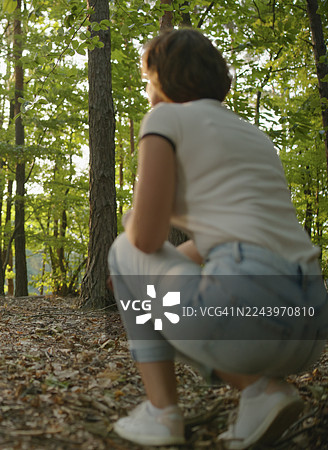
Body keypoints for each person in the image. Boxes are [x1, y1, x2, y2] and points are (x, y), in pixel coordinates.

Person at [108, 28, 328, 448]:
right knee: (149, 284)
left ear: (160, 79)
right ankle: (261, 392)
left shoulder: (164, 118)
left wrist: (132, 220)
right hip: (311, 325)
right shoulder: (254, 137)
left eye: (146, 79)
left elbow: (146, 239)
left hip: (249, 307)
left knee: (124, 253)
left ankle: (161, 413)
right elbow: (232, 240)